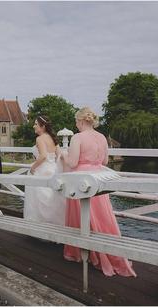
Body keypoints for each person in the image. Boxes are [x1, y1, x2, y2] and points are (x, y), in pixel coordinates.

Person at [60, 107, 136, 277]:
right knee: (102, 218)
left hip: (81, 181)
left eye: (76, 121)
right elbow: (105, 160)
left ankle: (81, 252)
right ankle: (106, 249)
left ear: (80, 121)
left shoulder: (77, 137)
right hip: (98, 179)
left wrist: (63, 155)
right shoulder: (102, 137)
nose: (76, 125)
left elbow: (72, 163)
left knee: (83, 217)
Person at [24, 115, 65, 226]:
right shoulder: (52, 138)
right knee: (52, 198)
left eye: (36, 124)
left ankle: (39, 225)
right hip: (52, 169)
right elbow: (59, 155)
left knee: (37, 201)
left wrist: (33, 168)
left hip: (41, 170)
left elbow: (43, 156)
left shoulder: (40, 138)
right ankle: (55, 224)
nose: (34, 126)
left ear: (42, 126)